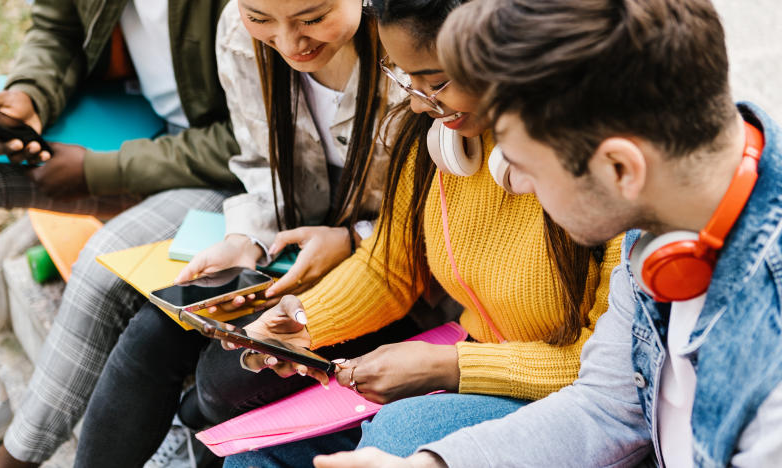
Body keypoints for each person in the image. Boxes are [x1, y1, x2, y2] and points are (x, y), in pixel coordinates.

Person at [315, 0, 782, 466]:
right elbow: (603, 409)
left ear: (620, 167)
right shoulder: (657, 233)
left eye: (523, 165)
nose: (513, 184)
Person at [217, 0, 623, 465]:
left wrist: (448, 367)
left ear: (510, 59)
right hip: (467, 357)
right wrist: (305, 323)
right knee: (255, 456)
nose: (416, 102)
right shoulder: (438, 140)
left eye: (436, 83)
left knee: (398, 431)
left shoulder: (604, 179)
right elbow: (388, 268)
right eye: (407, 80)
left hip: (558, 397)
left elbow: (605, 374)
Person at [72, 1, 420, 466]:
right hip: (295, 249)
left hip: (396, 268)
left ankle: (194, 422)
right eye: (261, 19)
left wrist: (353, 240)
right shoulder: (240, 36)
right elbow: (259, 162)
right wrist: (247, 239)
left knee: (223, 380)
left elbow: (439, 217)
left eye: (313, 19)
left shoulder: (412, 54)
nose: (290, 43)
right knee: (156, 330)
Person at [0, 0, 241, 466]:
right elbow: (56, 27)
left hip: (227, 171)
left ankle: (13, 461)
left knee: (102, 263)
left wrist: (101, 171)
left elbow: (253, 137)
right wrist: (30, 94)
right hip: (137, 120)